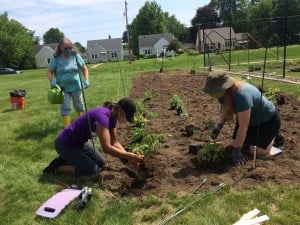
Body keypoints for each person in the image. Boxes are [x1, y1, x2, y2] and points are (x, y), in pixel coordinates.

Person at [43, 98, 144, 177]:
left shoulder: (112, 116)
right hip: (65, 143)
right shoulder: (102, 117)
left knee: (101, 163)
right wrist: (131, 156)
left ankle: (67, 158)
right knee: (92, 170)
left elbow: (114, 142)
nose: (126, 119)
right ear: (120, 110)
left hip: (80, 143)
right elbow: (107, 148)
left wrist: (129, 158)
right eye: (127, 116)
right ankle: (58, 167)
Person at [203, 70, 281, 165]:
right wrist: (219, 126)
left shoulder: (242, 95)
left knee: (256, 151)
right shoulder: (224, 94)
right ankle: (258, 139)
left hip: (267, 121)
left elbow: (243, 127)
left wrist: (237, 151)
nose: (211, 94)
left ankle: (274, 137)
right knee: (235, 144)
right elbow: (225, 110)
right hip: (251, 121)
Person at [47, 37, 90, 128]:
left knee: (79, 105)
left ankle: (81, 124)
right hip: (63, 88)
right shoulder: (56, 59)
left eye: (70, 48)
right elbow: (49, 71)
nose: (68, 50)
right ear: (60, 48)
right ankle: (67, 127)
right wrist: (52, 80)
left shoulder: (75, 56)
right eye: (65, 48)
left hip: (76, 86)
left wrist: (86, 80)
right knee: (66, 106)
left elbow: (84, 69)